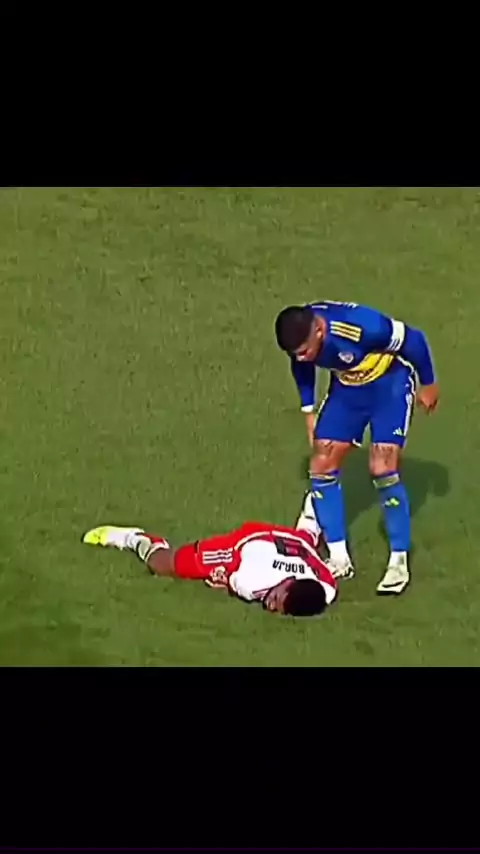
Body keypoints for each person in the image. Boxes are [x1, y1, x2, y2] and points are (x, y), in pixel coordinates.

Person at [275, 299, 439, 595]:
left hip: (389, 387)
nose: (301, 358)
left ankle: (399, 560)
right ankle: (338, 559)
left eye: (304, 351)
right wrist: (309, 410)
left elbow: (413, 339)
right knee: (321, 464)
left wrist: (428, 383)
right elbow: (301, 365)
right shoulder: (303, 335)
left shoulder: (363, 327)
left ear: (319, 331)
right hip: (348, 391)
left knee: (383, 468)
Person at [82, 494, 337, 617]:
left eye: (280, 610)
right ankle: (135, 538)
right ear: (289, 582)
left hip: (295, 543)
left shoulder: (325, 588)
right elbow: (232, 580)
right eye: (277, 599)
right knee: (166, 565)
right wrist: (224, 581)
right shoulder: (250, 581)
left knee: (305, 540)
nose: (271, 605)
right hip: (245, 545)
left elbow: (315, 562)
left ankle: (312, 512)